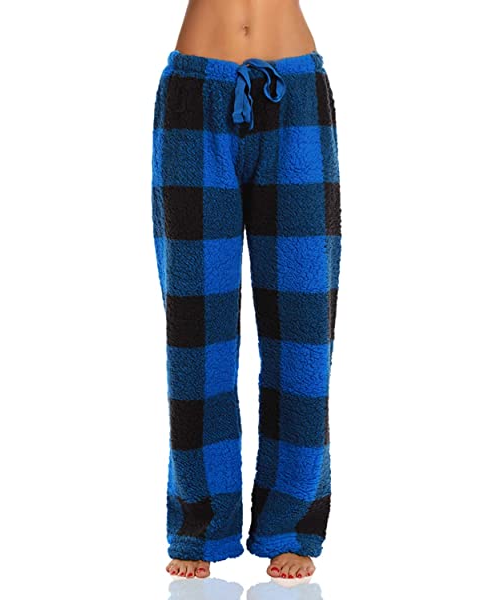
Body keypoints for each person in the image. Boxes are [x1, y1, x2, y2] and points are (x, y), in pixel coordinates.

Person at [151, 0, 342, 581]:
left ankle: (292, 521)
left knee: (304, 331)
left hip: (295, 92)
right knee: (196, 335)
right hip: (195, 93)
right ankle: (201, 521)